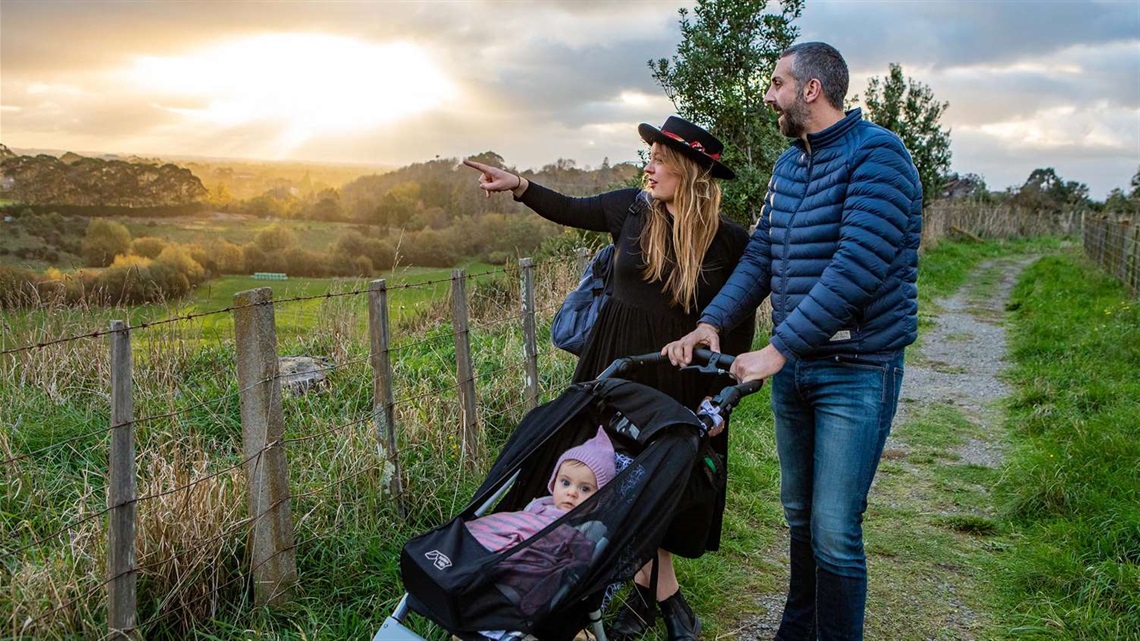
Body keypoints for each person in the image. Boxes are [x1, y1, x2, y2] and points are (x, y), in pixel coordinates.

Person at [665, 42, 922, 640]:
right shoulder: (789, 166)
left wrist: (777, 350)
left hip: (855, 370)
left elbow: (856, 268)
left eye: (777, 83)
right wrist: (714, 320)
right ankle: (795, 629)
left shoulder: (879, 157)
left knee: (834, 529)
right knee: (801, 518)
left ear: (811, 89)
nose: (769, 95)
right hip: (798, 369)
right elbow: (762, 255)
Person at [464, 116, 756, 641]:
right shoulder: (628, 209)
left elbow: (736, 323)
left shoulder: (729, 242)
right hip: (614, 368)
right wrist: (520, 186)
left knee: (663, 485)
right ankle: (656, 598)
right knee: (603, 478)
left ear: (689, 171)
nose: (650, 166)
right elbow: (570, 209)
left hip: (682, 377)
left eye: (661, 159)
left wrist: (720, 397)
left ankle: (648, 597)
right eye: (650, 156)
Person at [465, 427, 616, 623]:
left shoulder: (592, 525)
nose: (571, 493)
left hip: (530, 567)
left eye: (585, 488)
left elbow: (579, 556)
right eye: (565, 483)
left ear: (600, 499)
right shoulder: (540, 505)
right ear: (554, 483)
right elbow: (516, 525)